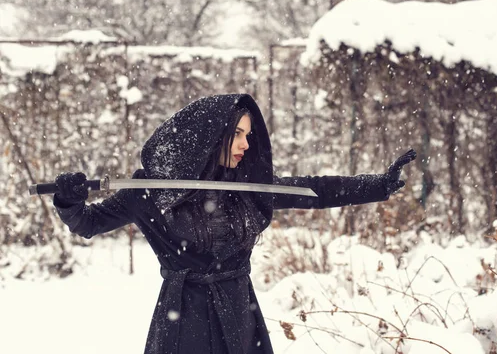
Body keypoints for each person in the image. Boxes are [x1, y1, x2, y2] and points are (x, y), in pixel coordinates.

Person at [53, 93, 417, 354]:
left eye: (248, 134)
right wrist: (70, 199)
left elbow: (315, 191)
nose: (246, 143)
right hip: (184, 316)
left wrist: (378, 185)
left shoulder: (244, 188)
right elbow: (88, 222)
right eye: (238, 134)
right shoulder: (149, 192)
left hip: (239, 310)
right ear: (211, 138)